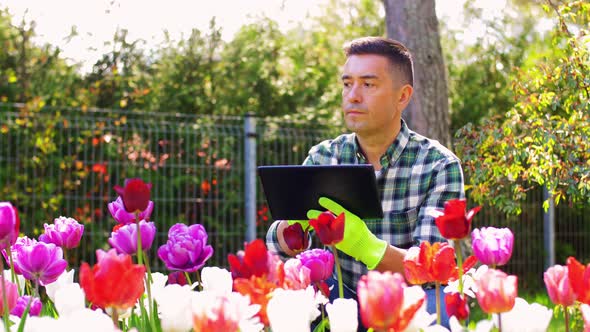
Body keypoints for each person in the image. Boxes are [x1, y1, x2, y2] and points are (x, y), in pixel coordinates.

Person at [265, 36, 464, 329]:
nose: (353, 95)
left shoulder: (438, 165)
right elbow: (276, 246)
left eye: (368, 84)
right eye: (347, 83)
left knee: (438, 306)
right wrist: (289, 231)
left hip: (406, 300)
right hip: (339, 294)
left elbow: (431, 270)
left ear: (402, 96)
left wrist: (366, 245)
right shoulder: (324, 156)